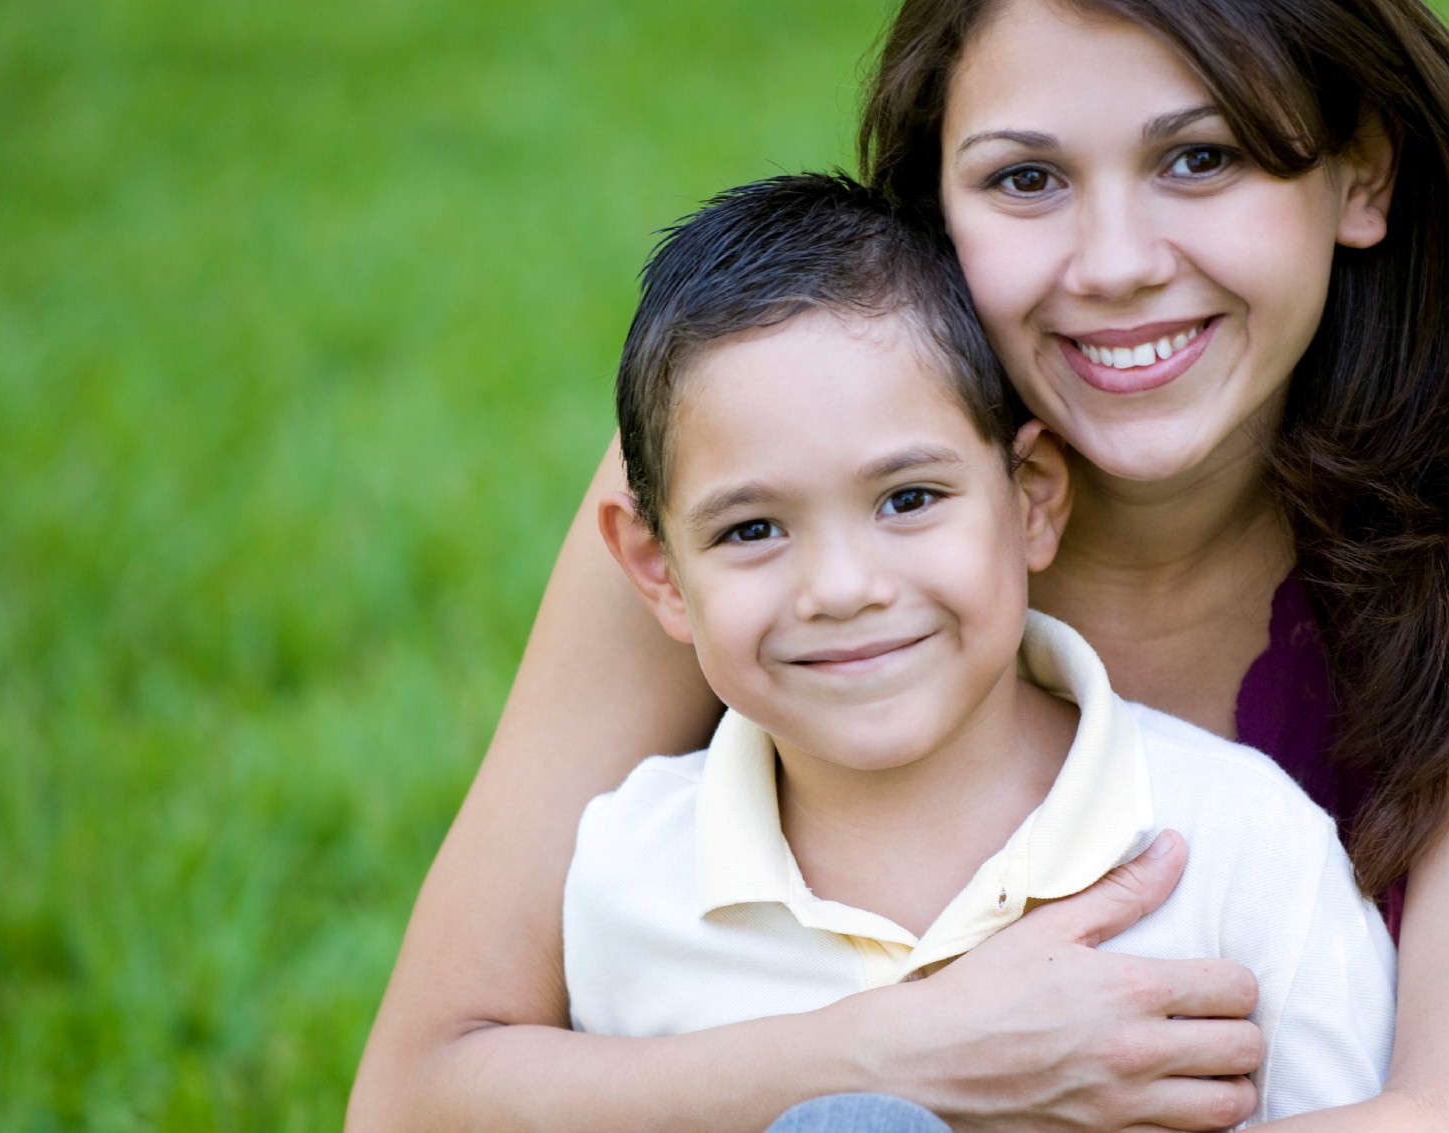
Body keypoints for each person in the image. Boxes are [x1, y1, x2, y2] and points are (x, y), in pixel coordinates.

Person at [347, 0, 1449, 1129]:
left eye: (1198, 159)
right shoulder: (755, 504)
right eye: (1025, 180)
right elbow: (415, 1097)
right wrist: (913, 1057)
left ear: (1359, 176)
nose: (1113, 266)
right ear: (932, 214)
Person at [571, 172, 1394, 1125]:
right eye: (752, 529)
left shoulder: (1241, 847)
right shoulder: (632, 880)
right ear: (659, 570)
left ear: (1033, 498)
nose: (843, 587)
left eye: (908, 499)